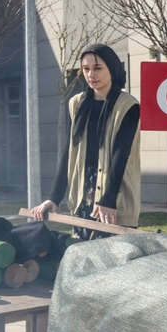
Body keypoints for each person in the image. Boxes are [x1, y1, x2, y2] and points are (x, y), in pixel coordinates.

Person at [31, 44, 140, 237]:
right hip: (84, 191)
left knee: (116, 259)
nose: (91, 74)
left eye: (98, 68)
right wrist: (54, 197)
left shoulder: (128, 105)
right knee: (84, 255)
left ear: (112, 68)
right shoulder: (77, 103)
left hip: (114, 190)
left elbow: (121, 154)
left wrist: (108, 199)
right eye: (86, 69)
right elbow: (69, 151)